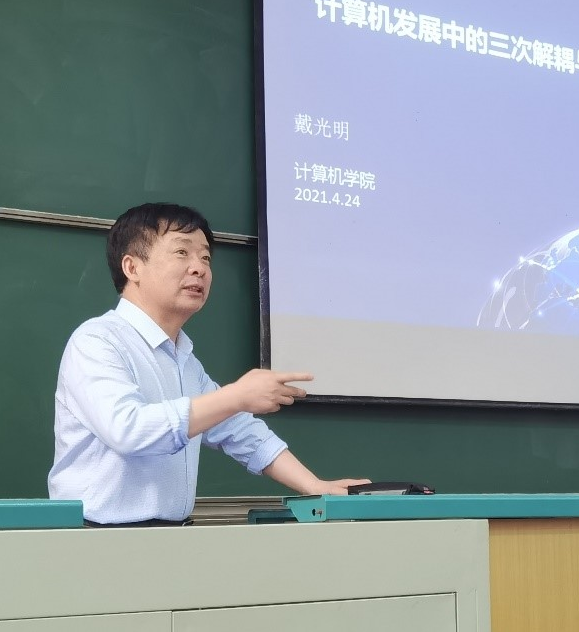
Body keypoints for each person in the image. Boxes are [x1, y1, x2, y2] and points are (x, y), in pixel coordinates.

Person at [48, 203, 367, 526]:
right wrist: (235, 396)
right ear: (132, 268)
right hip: (95, 537)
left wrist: (315, 487)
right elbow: (128, 430)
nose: (199, 268)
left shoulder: (185, 360)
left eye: (205, 258)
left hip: (171, 536)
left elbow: (240, 431)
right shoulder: (97, 341)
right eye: (182, 252)